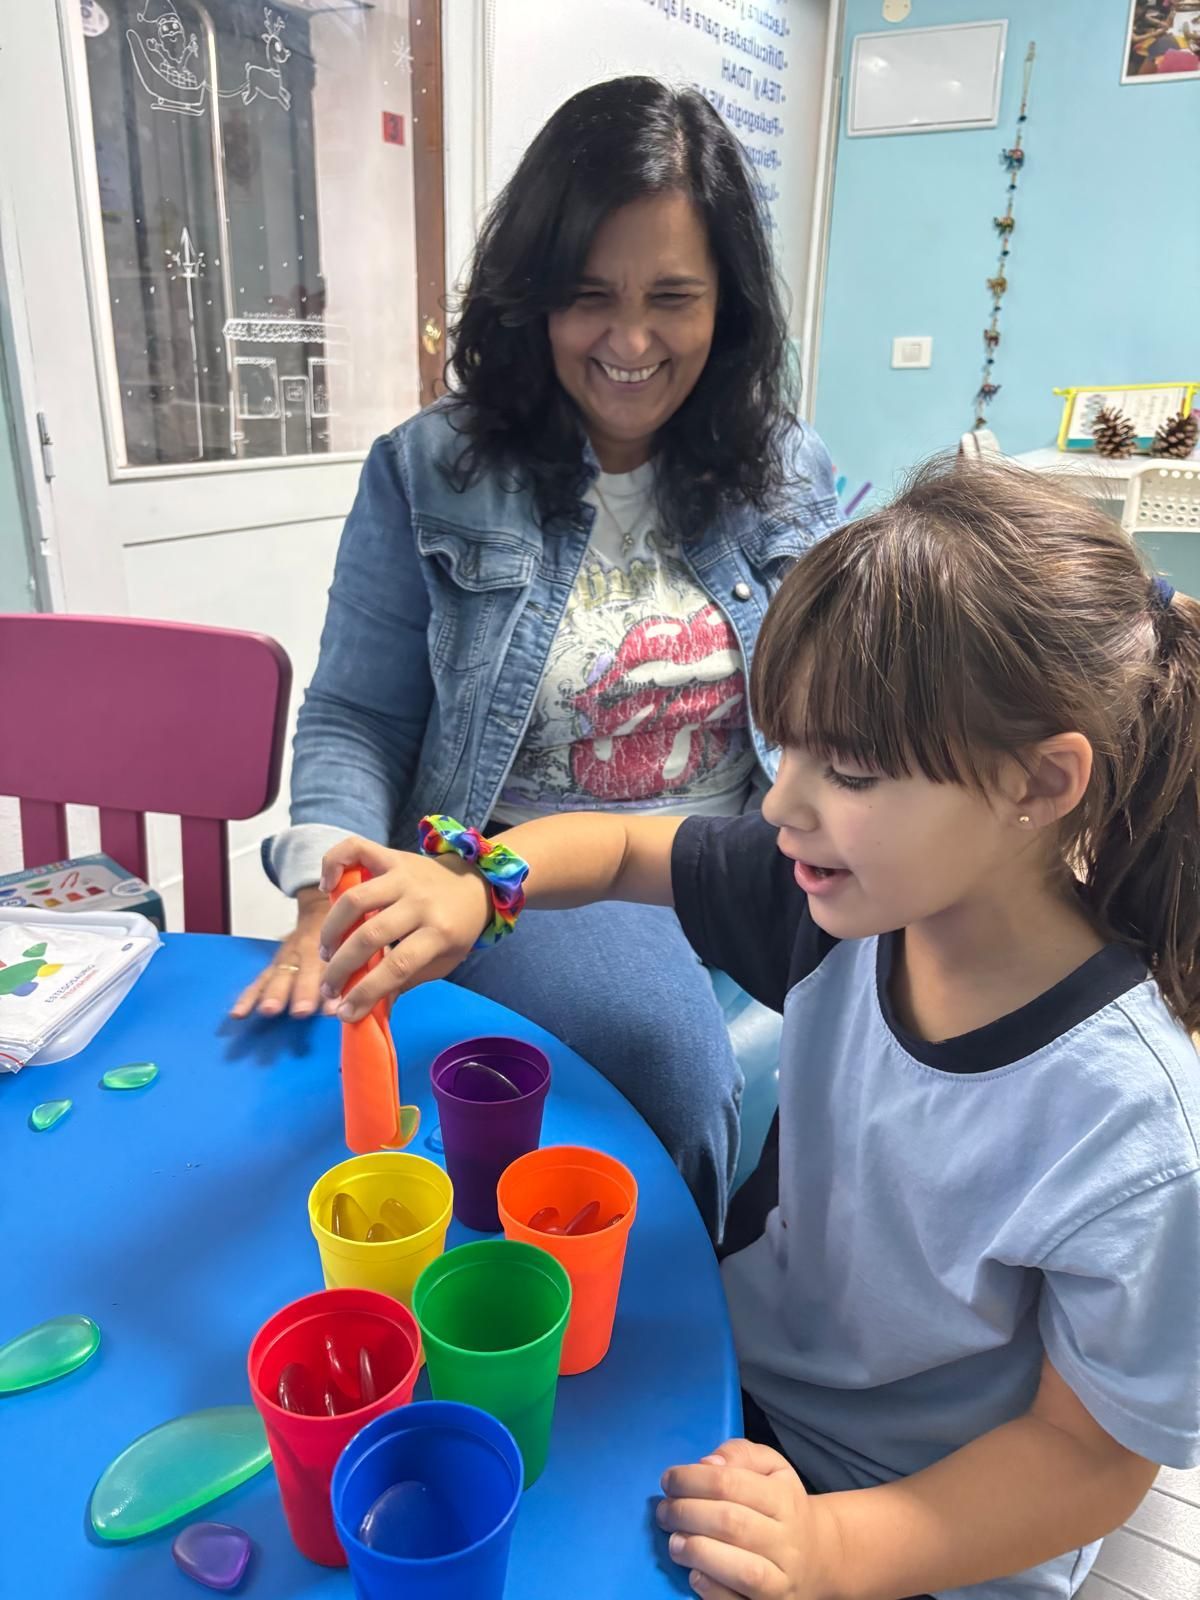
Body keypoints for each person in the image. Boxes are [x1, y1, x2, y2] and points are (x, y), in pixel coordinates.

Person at [316, 459, 1200, 1600]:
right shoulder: (843, 904)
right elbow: (630, 848)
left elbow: (1089, 1459)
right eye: (787, 751)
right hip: (739, 1384)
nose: (782, 804)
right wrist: (478, 887)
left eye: (854, 770)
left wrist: (837, 1548)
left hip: (917, 1526)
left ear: (1041, 782)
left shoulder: (1134, 1133)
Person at [234, 76, 841, 1240]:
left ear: (730, 310)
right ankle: (674, 1353)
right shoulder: (431, 471)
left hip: (742, 857)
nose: (629, 341)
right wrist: (332, 885)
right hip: (513, 867)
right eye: (589, 298)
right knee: (667, 1056)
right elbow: (355, 716)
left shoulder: (788, 471)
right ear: (532, 302)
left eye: (674, 298)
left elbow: (840, 709)